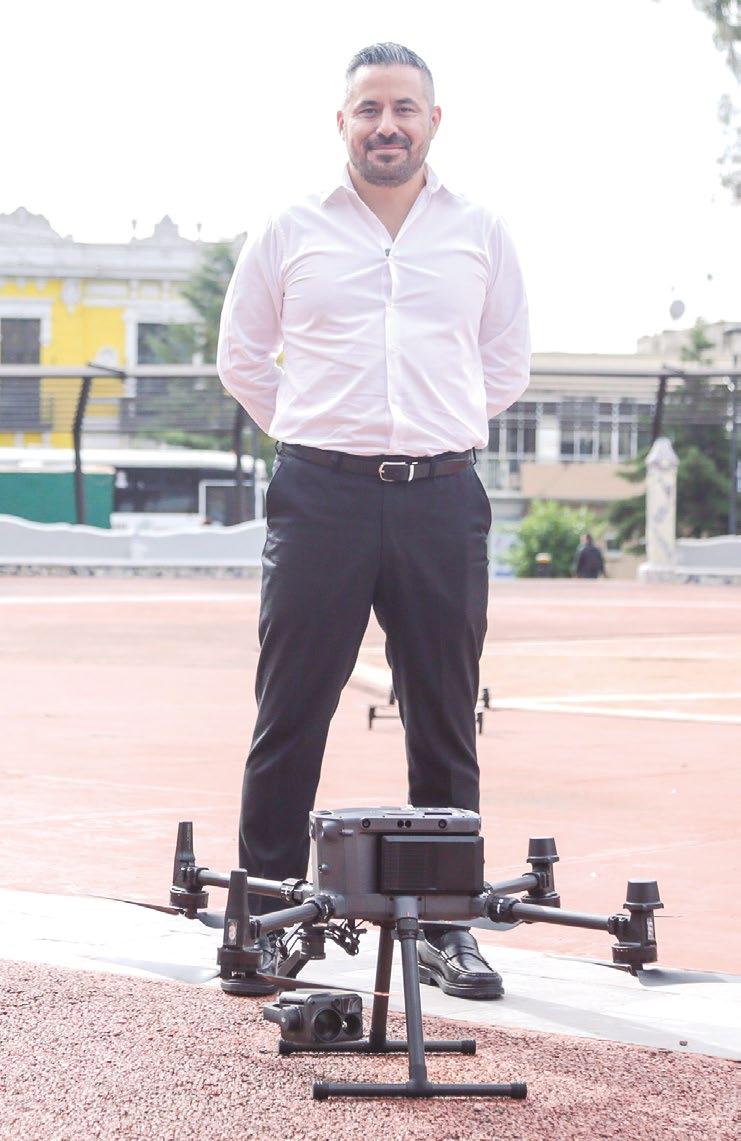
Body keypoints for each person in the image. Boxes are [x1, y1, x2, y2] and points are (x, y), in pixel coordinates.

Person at [217, 42, 531, 999]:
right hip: (320, 497)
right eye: (368, 110)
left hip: (441, 496)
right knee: (290, 711)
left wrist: (436, 428)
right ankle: (269, 921)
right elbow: (242, 356)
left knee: (444, 715)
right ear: (342, 123)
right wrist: (319, 432)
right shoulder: (290, 229)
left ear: (433, 120)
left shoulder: (479, 231)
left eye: (403, 108)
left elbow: (505, 361)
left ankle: (444, 925)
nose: (385, 125)